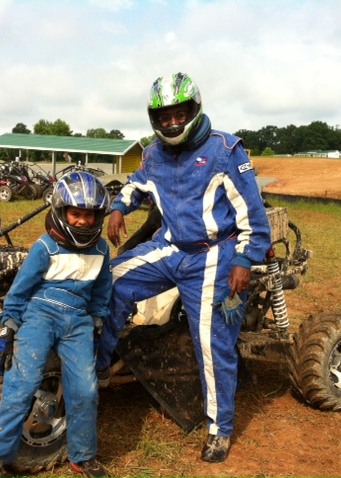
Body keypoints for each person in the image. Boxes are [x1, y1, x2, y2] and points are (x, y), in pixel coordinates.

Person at [95, 72, 271, 463]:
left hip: (213, 255)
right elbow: (138, 184)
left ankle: (219, 429)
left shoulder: (226, 150)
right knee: (110, 282)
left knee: (211, 341)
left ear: (194, 109)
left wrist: (244, 260)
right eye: (165, 116)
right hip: (171, 246)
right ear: (154, 118)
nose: (173, 122)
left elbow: (255, 217)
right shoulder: (153, 153)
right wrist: (120, 208)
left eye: (180, 114)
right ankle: (100, 366)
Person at [0, 171, 113, 478]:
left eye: (89, 215)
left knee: (85, 390)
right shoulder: (45, 246)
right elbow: (19, 292)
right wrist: (6, 333)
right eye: (75, 214)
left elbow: (102, 292)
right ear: (61, 212)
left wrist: (95, 326)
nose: (82, 221)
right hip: (40, 315)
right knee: (21, 385)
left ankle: (83, 456)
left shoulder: (102, 250)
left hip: (78, 322)